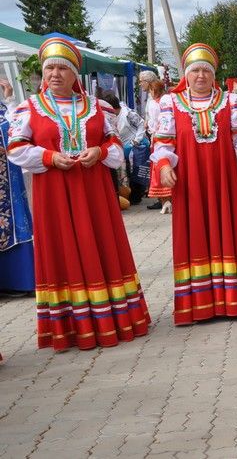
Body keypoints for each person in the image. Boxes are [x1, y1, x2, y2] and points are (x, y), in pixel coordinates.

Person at [7, 37, 151, 350]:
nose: (55, 74)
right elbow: (15, 149)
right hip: (54, 195)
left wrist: (99, 152)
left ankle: (114, 318)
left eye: (62, 68)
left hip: (94, 192)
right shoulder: (28, 109)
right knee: (63, 250)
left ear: (75, 74)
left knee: (99, 244)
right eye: (49, 69)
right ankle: (73, 327)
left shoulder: (97, 108)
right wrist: (48, 157)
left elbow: (116, 145)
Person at [152, 43, 237, 326]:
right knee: (195, 234)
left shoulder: (229, 102)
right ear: (185, 75)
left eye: (206, 71)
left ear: (214, 75)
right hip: (190, 183)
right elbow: (164, 141)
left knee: (229, 229)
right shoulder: (170, 104)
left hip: (224, 181)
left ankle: (233, 300)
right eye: (195, 70)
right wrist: (164, 165)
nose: (200, 75)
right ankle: (199, 304)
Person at [0, 77, 34, 294]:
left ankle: (18, 280)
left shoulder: (5, 111)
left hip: (7, 182)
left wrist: (10, 98)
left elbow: (15, 130)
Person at [145, 79, 172, 211]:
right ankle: (170, 199)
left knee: (158, 166)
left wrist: (151, 129)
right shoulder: (169, 99)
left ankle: (164, 200)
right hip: (171, 137)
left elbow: (153, 123)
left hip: (158, 138)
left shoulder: (153, 104)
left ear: (153, 90)